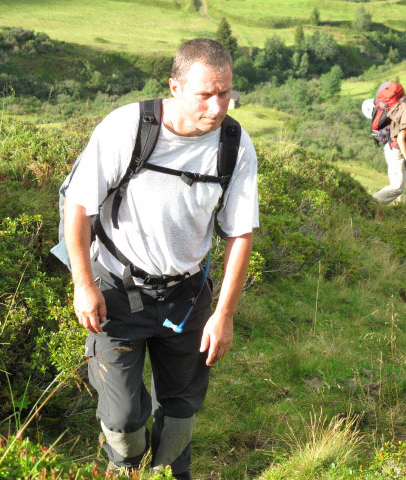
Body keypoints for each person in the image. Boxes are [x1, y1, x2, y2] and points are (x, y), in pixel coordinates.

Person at [62, 38, 258, 479]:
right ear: (175, 87)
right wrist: (83, 284)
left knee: (181, 409)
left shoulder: (235, 143)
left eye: (225, 92)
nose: (217, 106)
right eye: (205, 94)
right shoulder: (128, 127)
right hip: (116, 290)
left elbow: (240, 233)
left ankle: (171, 473)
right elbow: (78, 206)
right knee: (124, 416)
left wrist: (223, 315)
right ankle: (125, 470)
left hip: (186, 298)